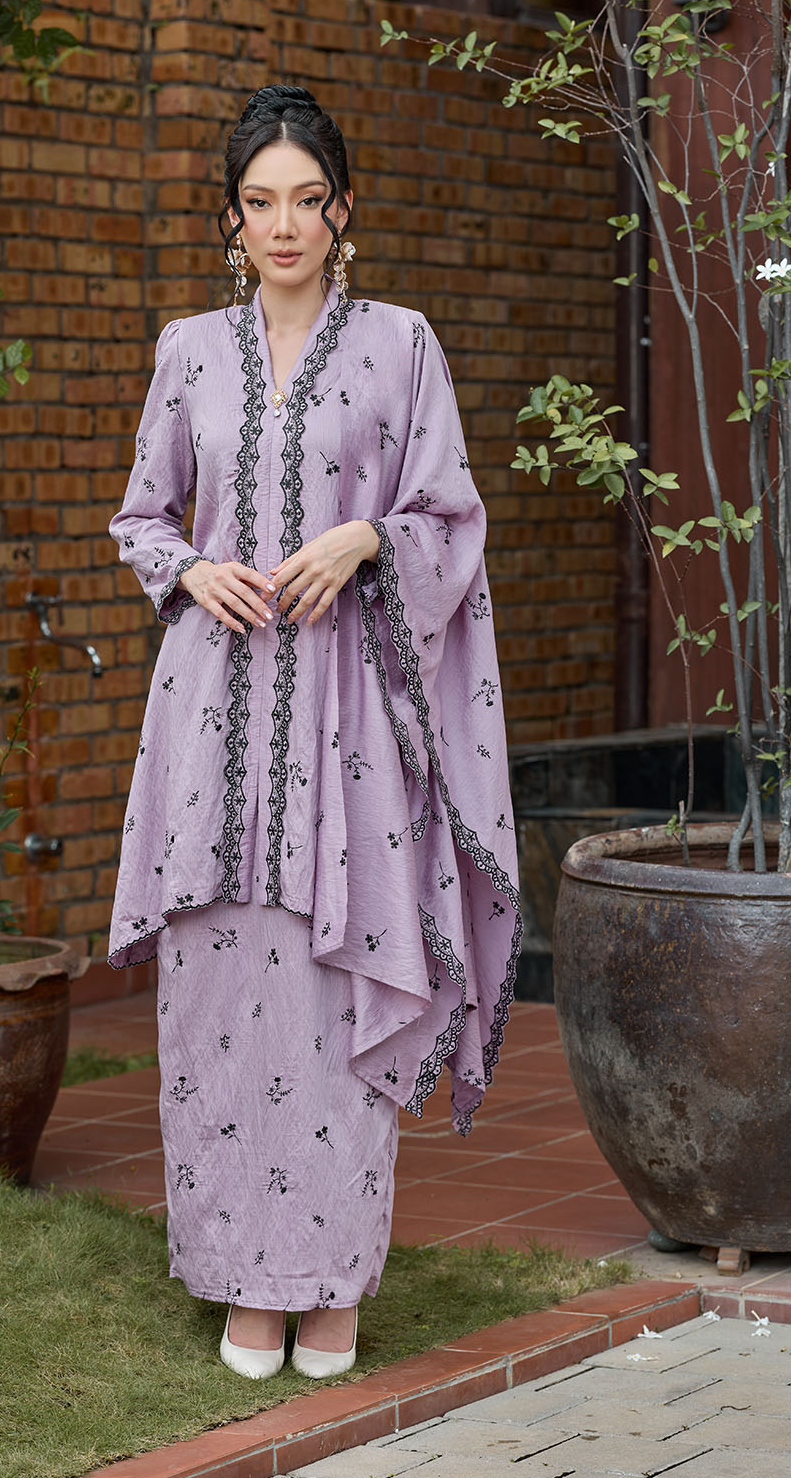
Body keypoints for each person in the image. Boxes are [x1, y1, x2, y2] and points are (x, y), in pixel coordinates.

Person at [107, 83, 520, 1381]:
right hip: (213, 723)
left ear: (342, 211)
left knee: (335, 987)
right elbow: (141, 517)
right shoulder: (188, 351)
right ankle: (241, 1277)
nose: (282, 225)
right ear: (232, 220)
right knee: (220, 988)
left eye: (305, 199)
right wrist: (187, 568)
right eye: (258, 202)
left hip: (352, 725)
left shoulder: (402, 346)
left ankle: (329, 1280)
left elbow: (451, 518)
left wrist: (366, 539)